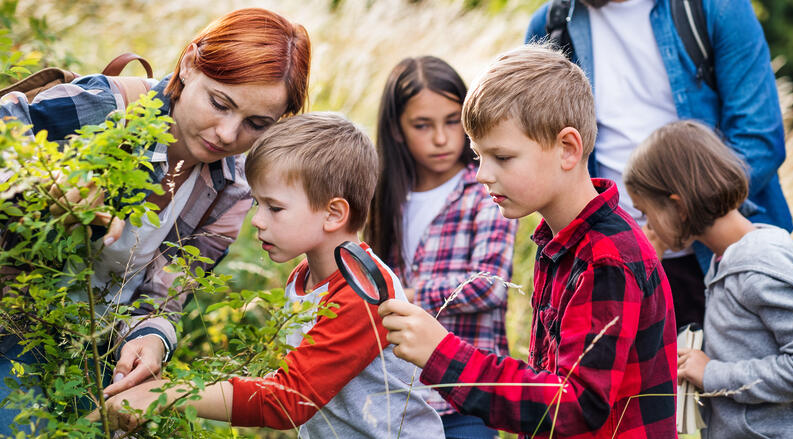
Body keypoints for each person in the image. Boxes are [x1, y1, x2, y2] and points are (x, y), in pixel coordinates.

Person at [0, 7, 311, 426]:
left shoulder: (231, 189)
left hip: (91, 351)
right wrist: (42, 185)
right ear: (188, 65)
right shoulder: (106, 108)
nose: (227, 134)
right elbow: (7, 141)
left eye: (256, 124)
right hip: (14, 321)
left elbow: (164, 295)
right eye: (219, 103)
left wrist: (151, 338)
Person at [379, 45, 677, 438]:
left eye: (502, 157)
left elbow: (572, 406)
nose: (483, 174)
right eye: (478, 155)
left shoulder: (606, 258)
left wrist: (443, 354)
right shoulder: (560, 242)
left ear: (567, 149)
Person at [100, 112, 444, 437]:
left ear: (333, 213)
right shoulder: (305, 276)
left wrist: (168, 393)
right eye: (257, 204)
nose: (259, 221)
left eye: (275, 208)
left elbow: (288, 401)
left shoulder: (363, 291)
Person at [526, 0, 792, 330]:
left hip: (718, 256)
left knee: (723, 378)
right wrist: (616, 242)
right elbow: (539, 149)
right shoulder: (551, 25)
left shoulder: (715, 8)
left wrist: (663, 227)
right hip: (604, 262)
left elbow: (759, 138)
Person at [623, 120, 793, 438]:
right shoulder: (725, 261)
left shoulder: (758, 267)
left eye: (646, 212)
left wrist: (712, 373)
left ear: (678, 206)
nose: (646, 225)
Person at [366, 56, 516, 438]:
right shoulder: (384, 199)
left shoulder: (486, 189)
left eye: (452, 121)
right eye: (422, 125)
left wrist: (411, 297)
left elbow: (491, 285)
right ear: (397, 130)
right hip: (398, 400)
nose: (441, 138)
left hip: (466, 399)